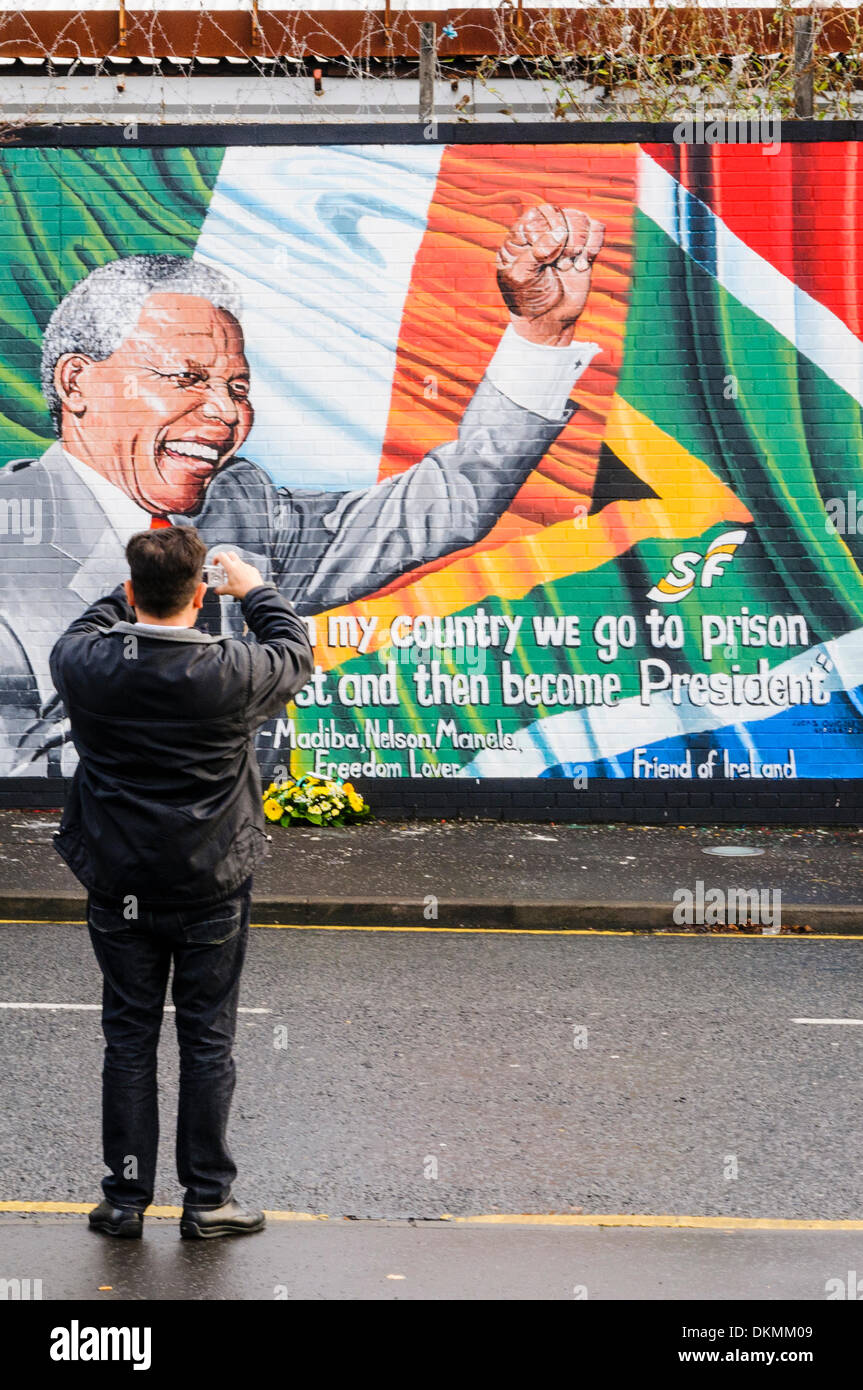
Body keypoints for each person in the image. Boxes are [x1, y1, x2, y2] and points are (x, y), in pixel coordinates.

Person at [0, 204, 604, 775]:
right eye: (186, 378)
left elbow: (446, 503)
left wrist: (540, 331)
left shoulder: (242, 503)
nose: (224, 413)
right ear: (77, 383)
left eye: (238, 388)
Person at [49, 525, 314, 1239]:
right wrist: (251, 586)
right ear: (201, 597)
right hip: (209, 883)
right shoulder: (232, 672)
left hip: (119, 881)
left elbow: (92, 621)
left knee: (128, 1039)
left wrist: (137, 587)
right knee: (205, 1040)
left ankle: (124, 1203)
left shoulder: (83, 664)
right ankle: (208, 1202)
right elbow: (294, 649)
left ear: (131, 592)